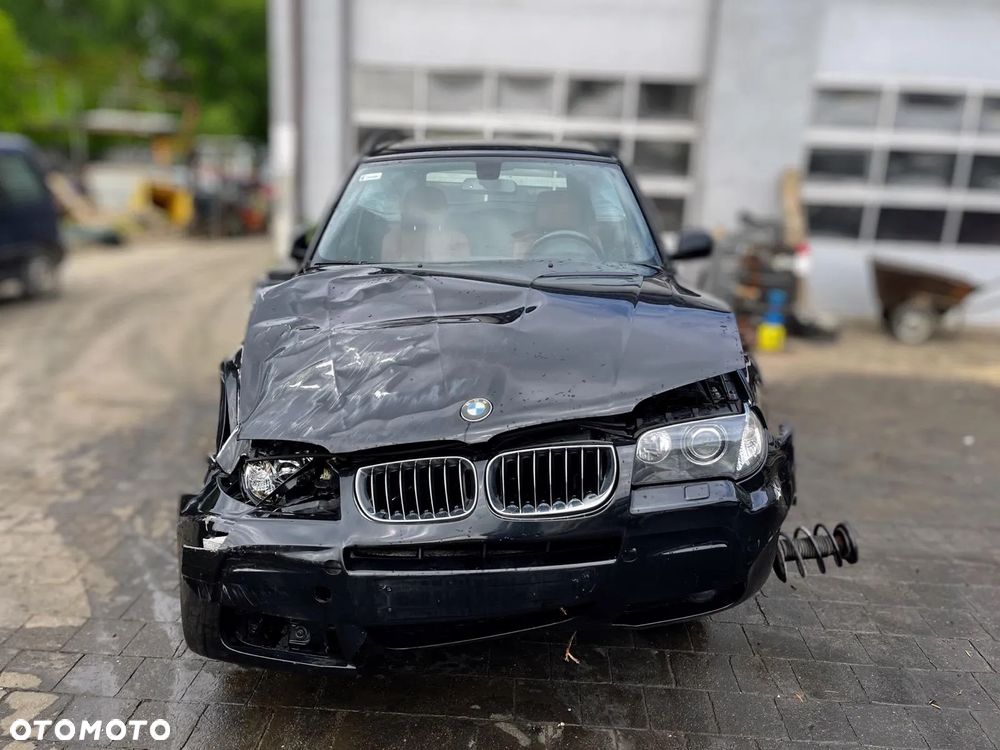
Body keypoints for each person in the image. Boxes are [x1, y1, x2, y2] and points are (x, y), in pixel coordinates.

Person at [381, 184, 470, 262]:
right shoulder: (394, 238)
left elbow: (461, 272)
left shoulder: (457, 239)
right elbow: (388, 272)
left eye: (434, 209)